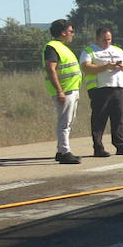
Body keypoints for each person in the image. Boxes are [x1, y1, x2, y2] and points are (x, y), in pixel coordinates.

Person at [79, 26, 123, 157]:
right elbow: (86, 68)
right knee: (99, 118)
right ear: (97, 38)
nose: (107, 42)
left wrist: (122, 66)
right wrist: (106, 67)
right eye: (104, 39)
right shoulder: (89, 51)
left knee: (118, 117)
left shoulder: (117, 50)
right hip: (100, 89)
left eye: (109, 39)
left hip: (119, 87)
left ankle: (120, 145)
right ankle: (98, 147)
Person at [43, 19, 83, 164]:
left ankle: (61, 151)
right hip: (64, 90)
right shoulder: (53, 47)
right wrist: (59, 91)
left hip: (71, 89)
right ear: (63, 32)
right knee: (64, 122)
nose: (73, 34)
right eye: (71, 31)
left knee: (69, 121)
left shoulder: (62, 47)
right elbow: (50, 69)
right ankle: (65, 152)